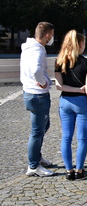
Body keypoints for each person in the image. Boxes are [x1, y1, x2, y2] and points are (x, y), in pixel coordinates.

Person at [54, 30, 87, 180]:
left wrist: (73, 89)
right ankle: (79, 171)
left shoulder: (59, 61)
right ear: (79, 44)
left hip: (65, 101)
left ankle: (68, 171)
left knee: (66, 137)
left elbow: (59, 86)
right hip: (81, 103)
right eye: (84, 43)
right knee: (82, 138)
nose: (85, 46)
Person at [21, 21, 56, 177]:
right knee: (37, 131)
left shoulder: (28, 48)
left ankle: (37, 157)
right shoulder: (38, 50)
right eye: (52, 35)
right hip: (37, 94)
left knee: (44, 126)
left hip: (30, 92)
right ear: (47, 35)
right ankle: (33, 166)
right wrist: (43, 82)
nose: (52, 39)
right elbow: (36, 70)